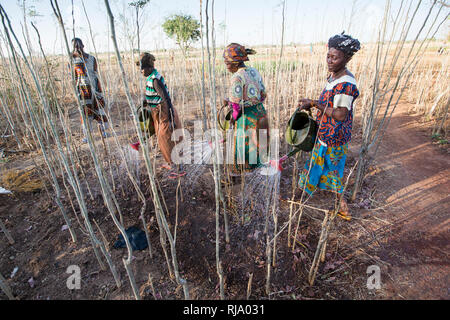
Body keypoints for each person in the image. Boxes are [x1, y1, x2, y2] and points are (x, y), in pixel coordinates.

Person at [297, 33, 361, 220]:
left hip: (335, 137)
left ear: (346, 58)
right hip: (325, 133)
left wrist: (316, 104)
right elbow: (329, 104)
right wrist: (312, 104)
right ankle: (302, 196)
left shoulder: (346, 84)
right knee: (315, 166)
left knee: (332, 172)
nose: (330, 60)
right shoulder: (334, 77)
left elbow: (340, 114)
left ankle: (344, 208)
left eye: (335, 57)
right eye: (328, 56)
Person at [134, 52, 183, 177]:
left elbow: (165, 97)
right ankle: (171, 163)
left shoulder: (155, 79)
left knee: (166, 138)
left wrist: (171, 115)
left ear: (148, 67)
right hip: (157, 111)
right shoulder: (151, 77)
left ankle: (176, 168)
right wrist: (146, 102)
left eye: (142, 69)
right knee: (161, 137)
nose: (141, 72)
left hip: (163, 111)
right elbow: (154, 94)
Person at [222, 43, 269, 174]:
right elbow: (263, 94)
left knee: (246, 146)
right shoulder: (254, 71)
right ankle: (261, 171)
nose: (226, 66)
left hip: (247, 117)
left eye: (227, 63)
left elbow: (236, 106)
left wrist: (232, 117)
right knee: (260, 143)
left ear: (236, 63)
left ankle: (245, 174)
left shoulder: (236, 77)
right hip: (260, 112)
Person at [71, 38, 109, 143]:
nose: (77, 48)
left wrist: (98, 89)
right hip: (83, 91)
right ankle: (87, 136)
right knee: (85, 113)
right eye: (75, 46)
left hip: (95, 89)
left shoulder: (92, 58)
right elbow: (74, 77)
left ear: (83, 45)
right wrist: (76, 92)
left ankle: (103, 131)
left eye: (79, 45)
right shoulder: (73, 60)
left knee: (100, 109)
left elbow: (95, 74)